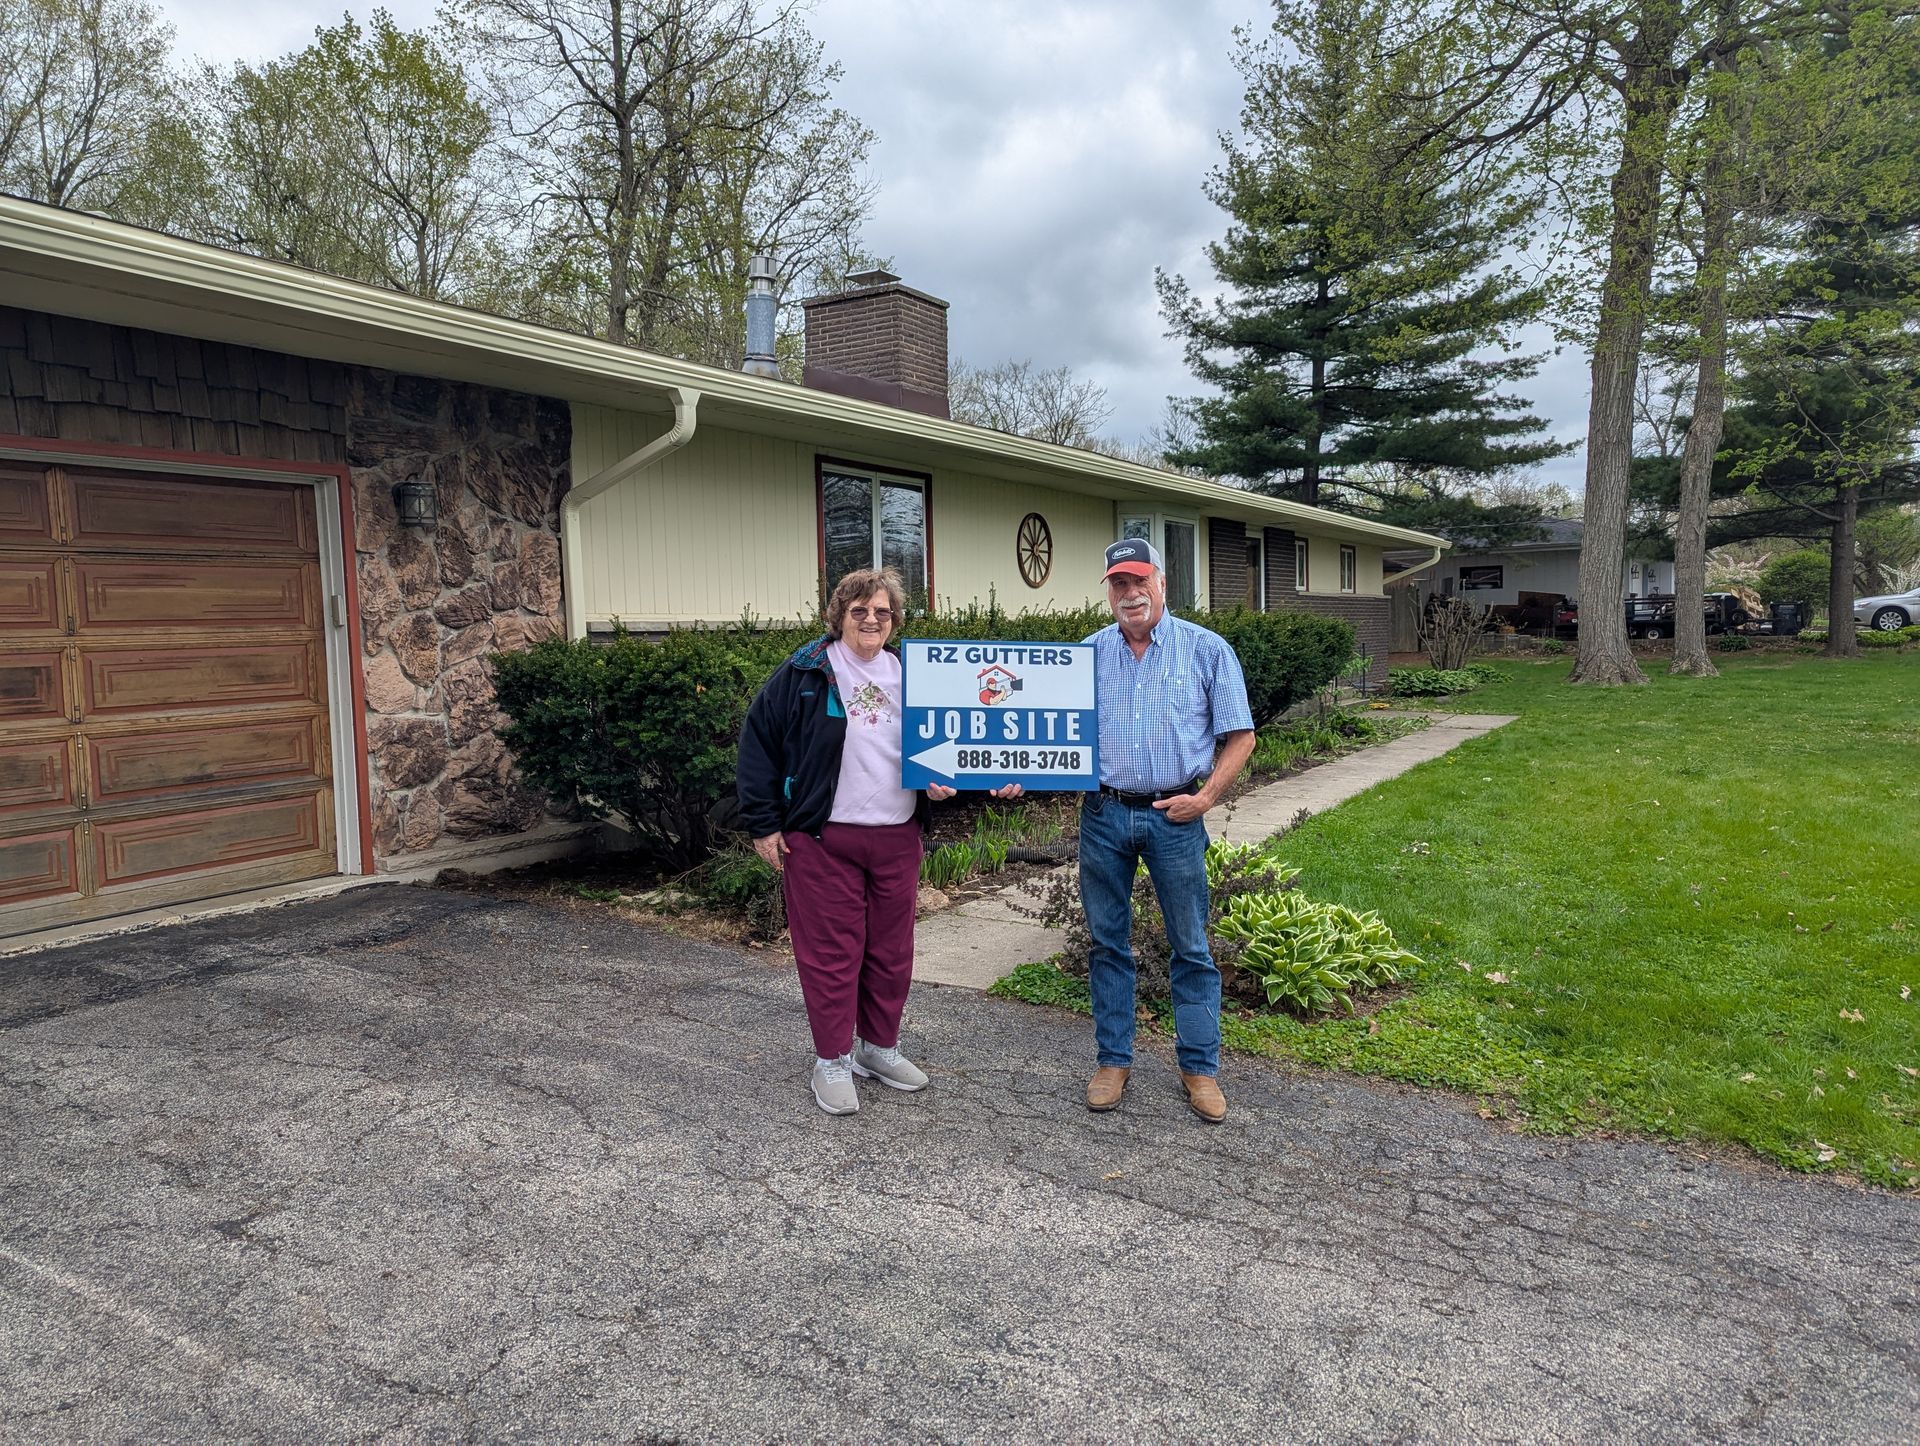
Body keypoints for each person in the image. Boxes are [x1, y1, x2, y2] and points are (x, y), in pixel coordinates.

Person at [736, 567, 1019, 1115]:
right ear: (839, 614)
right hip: (822, 838)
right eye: (859, 610)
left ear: (895, 620)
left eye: (882, 612)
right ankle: (832, 1060)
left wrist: (959, 787)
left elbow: (954, 747)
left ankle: (878, 1047)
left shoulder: (917, 673)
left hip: (896, 836)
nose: (871, 619)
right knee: (832, 954)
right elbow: (759, 743)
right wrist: (764, 823)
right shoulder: (806, 671)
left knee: (891, 953)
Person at [1080, 538, 1255, 1122]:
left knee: (1192, 947)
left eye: (1139, 581)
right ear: (1108, 592)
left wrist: (1205, 799)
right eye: (1118, 584)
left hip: (1174, 818)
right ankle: (1113, 1060)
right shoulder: (1086, 655)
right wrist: (1016, 775)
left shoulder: (1206, 650)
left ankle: (1200, 1069)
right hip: (1104, 814)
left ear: (1162, 584)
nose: (1130, 594)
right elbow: (1046, 734)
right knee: (1108, 943)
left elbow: (1241, 735)